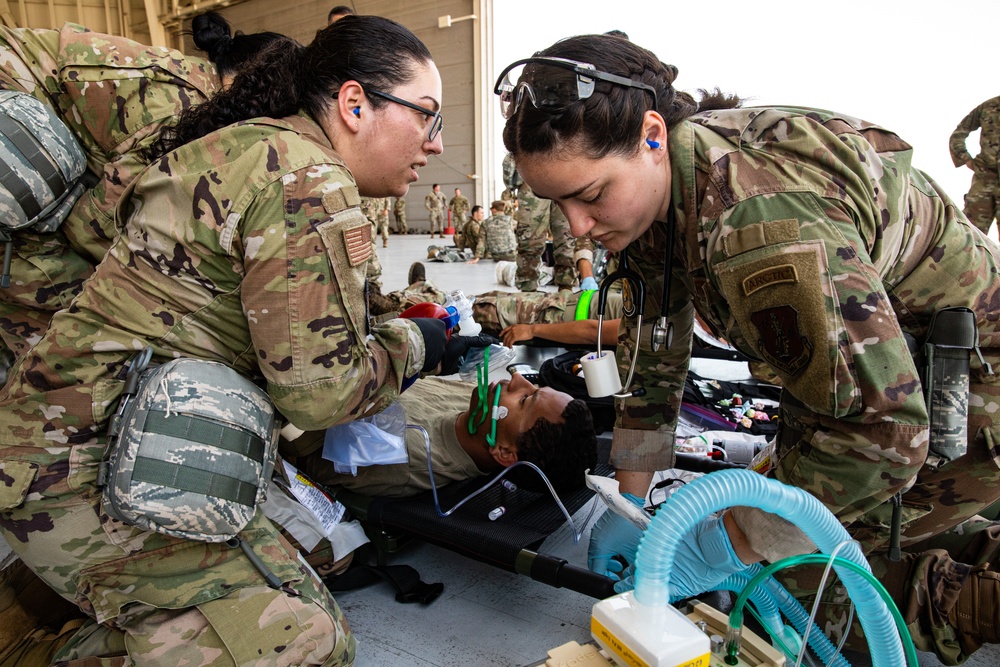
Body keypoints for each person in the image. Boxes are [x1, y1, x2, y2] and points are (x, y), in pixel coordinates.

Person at [0, 15, 498, 665]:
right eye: (427, 117)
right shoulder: (308, 181)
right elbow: (321, 397)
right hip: (84, 463)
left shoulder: (255, 146)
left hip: (75, 435)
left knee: (307, 603)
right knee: (303, 639)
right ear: (354, 105)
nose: (435, 144)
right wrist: (417, 345)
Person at [498, 35, 1000, 665]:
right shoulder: (660, 201)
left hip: (969, 389)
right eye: (557, 203)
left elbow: (885, 436)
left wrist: (729, 543)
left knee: (787, 586)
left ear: (652, 134)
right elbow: (655, 366)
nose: (576, 227)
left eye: (591, 195)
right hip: (882, 376)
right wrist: (631, 506)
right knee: (764, 519)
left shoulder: (752, 226)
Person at [0, 15, 291, 362]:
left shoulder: (199, 83)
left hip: (32, 116)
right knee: (76, 318)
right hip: (14, 122)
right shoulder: (181, 110)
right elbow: (89, 229)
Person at [290, 374, 597, 498]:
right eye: (532, 386)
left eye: (525, 400)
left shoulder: (403, 453)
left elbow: (298, 437)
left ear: (504, 452)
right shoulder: (478, 406)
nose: (515, 378)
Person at [381, 262, 624, 348]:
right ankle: (418, 292)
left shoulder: (648, 326)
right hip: (553, 303)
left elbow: (592, 332)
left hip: (545, 318)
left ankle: (390, 308)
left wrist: (532, 330)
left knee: (462, 312)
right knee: (477, 301)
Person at [505, 152, 577, 291]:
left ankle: (561, 287)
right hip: (545, 177)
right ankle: (534, 289)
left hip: (551, 177)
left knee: (565, 236)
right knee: (536, 239)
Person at [950, 95, 1000, 238]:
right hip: (984, 182)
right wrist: (965, 159)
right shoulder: (989, 106)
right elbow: (959, 133)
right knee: (968, 237)